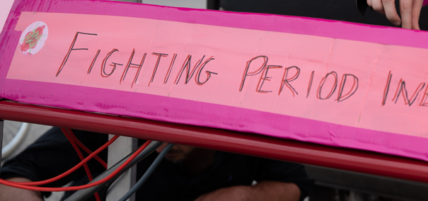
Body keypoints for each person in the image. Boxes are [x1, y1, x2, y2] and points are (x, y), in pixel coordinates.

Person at [0, 127, 313, 201]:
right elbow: (14, 178)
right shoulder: (108, 125)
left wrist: (245, 195)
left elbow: (298, 185)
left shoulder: (246, 129)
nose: (167, 143)